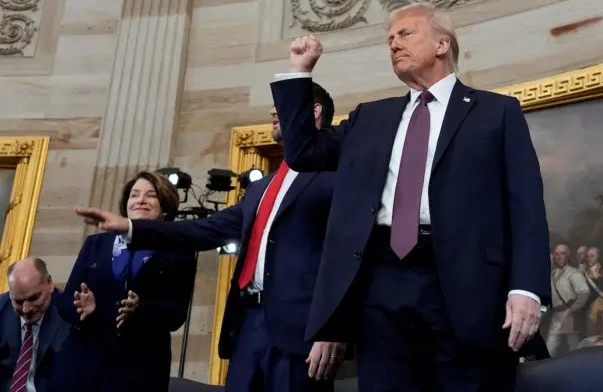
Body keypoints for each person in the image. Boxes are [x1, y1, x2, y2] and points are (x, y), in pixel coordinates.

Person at [269, 2, 551, 391]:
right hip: (382, 283)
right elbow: (303, 152)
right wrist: (299, 73)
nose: (394, 45)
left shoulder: (496, 112)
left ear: (441, 44)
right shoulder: (370, 117)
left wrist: (526, 288)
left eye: (405, 34)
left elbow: (526, 207)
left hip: (467, 285)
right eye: (389, 39)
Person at [73, 85, 346, 392]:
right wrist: (130, 228)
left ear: (313, 112)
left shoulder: (339, 175)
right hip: (247, 327)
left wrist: (333, 328)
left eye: (280, 106)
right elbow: (205, 229)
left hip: (301, 332)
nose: (272, 112)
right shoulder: (260, 189)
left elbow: (350, 257)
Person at [48, 172, 197, 392]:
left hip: (138, 370)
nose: (140, 200)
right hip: (80, 365)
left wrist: (141, 308)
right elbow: (65, 303)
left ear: (165, 203)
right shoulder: (95, 244)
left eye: (150, 195)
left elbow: (176, 314)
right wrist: (82, 307)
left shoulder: (179, 250)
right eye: (134, 195)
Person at [0, 258, 69, 392]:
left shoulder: (69, 313)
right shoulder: (2, 309)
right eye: (18, 301)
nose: (26, 309)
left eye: (33, 298)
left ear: (49, 283)